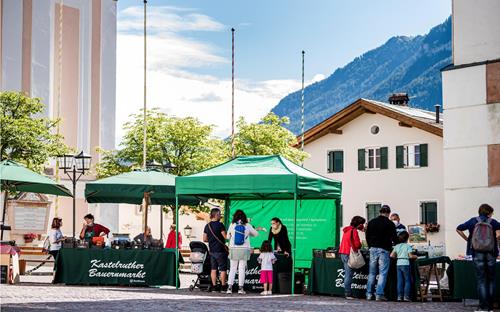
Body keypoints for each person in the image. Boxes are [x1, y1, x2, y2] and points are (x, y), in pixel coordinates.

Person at [456, 204, 500, 311]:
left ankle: (483, 307)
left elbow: (458, 229)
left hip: (476, 252)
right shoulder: (493, 222)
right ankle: (490, 306)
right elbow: (498, 234)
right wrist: (495, 241)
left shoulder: (472, 221)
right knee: (491, 280)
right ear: (489, 213)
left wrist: (468, 240)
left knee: (481, 280)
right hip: (491, 253)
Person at [365, 205, 398, 301]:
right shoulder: (390, 223)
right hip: (384, 249)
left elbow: (367, 236)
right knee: (383, 273)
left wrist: (370, 245)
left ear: (380, 212)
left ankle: (369, 294)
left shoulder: (372, 222)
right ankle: (379, 294)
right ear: (388, 213)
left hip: (373, 248)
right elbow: (394, 238)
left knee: (372, 273)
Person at [226, 209, 261, 294]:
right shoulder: (247, 225)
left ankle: (229, 288)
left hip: (233, 249)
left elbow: (227, 237)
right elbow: (256, 234)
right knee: (241, 269)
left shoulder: (232, 225)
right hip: (244, 249)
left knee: (232, 269)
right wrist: (249, 232)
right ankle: (240, 289)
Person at [338, 216, 366, 299]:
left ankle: (348, 292)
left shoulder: (346, 230)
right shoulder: (354, 231)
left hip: (343, 252)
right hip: (349, 254)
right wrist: (361, 244)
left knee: (347, 273)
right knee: (349, 275)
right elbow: (357, 244)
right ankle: (348, 293)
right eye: (362, 224)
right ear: (359, 224)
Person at [203, 208, 228, 293]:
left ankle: (214, 287)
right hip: (221, 251)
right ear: (216, 215)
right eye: (220, 214)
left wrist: (211, 240)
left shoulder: (207, 226)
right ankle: (223, 287)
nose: (221, 215)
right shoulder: (220, 225)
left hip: (212, 251)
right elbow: (226, 237)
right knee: (223, 269)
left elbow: (204, 239)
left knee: (213, 269)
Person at [390, 231, 416, 302]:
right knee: (407, 280)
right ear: (407, 239)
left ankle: (399, 297)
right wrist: (415, 256)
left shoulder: (397, 246)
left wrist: (398, 257)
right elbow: (410, 256)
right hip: (405, 263)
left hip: (398, 264)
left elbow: (391, 255)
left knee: (400, 281)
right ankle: (406, 297)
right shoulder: (408, 246)